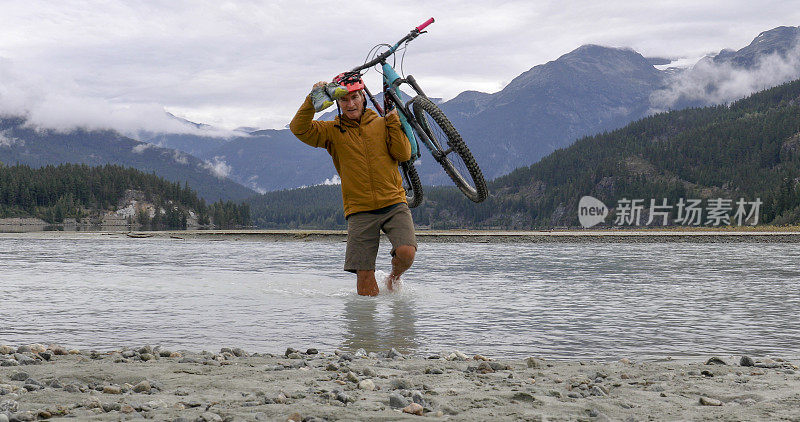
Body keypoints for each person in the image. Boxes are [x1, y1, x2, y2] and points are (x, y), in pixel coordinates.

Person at [289, 73, 417, 296]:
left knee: (406, 252)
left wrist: (394, 122)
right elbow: (299, 129)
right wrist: (311, 100)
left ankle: (393, 277)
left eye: (355, 97)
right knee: (364, 274)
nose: (350, 104)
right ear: (338, 102)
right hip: (360, 210)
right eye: (344, 100)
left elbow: (403, 153)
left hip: (394, 202)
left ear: (363, 98)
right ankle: (365, 330)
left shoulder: (382, 123)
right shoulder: (332, 131)